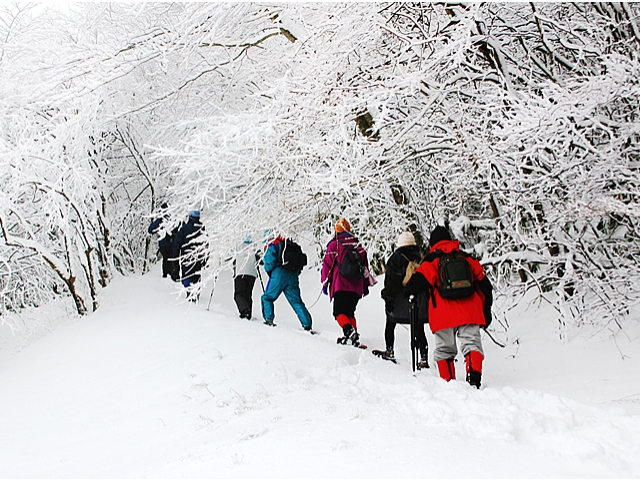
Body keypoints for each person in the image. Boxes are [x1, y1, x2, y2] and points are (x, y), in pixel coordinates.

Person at [405, 225, 493, 388]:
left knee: (445, 349)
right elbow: (485, 286)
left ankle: (449, 383)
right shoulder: (466, 258)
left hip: (443, 313)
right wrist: (486, 308)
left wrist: (408, 289)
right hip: (470, 310)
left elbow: (418, 283)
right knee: (472, 344)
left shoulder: (432, 260)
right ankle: (474, 380)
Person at [321, 218, 375, 346]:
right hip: (356, 286)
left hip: (341, 285)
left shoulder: (335, 245)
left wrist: (325, 282)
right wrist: (365, 285)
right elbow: (365, 267)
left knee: (339, 312)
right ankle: (352, 335)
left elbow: (327, 265)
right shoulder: (358, 246)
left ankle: (349, 331)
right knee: (350, 312)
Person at [379, 231, 429, 367]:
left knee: (390, 323)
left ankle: (389, 350)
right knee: (419, 328)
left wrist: (388, 298)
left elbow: (391, 283)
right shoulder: (421, 258)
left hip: (399, 305)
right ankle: (423, 358)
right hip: (417, 304)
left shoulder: (395, 259)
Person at [261, 235, 312, 330]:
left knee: (267, 297)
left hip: (279, 273)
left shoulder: (271, 243)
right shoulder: (287, 244)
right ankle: (307, 324)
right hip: (292, 274)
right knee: (296, 301)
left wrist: (270, 272)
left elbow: (269, 261)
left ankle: (269, 319)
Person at [173, 210, 206, 301]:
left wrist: (175, 257)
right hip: (198, 257)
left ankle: (189, 292)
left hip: (186, 257)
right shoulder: (202, 228)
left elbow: (177, 244)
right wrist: (205, 258)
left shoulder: (184, 229)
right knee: (196, 275)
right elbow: (206, 244)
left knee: (187, 275)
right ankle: (196, 292)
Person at [232, 235, 261, 320]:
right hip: (252, 273)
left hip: (241, 271)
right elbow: (259, 258)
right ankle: (248, 314)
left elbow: (229, 256)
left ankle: (244, 311)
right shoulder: (254, 244)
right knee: (248, 294)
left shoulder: (237, 244)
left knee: (238, 294)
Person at [148, 203, 178, 280]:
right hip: (172, 243)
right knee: (172, 258)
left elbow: (150, 229)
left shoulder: (160, 219)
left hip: (163, 244)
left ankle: (165, 275)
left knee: (165, 258)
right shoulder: (173, 219)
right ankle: (172, 274)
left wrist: (158, 230)